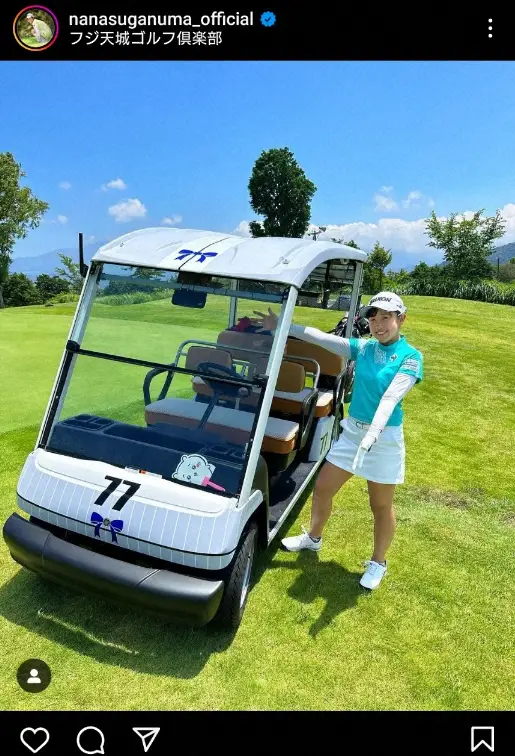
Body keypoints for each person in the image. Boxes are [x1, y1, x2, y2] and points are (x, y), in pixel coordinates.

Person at [254, 291, 423, 590]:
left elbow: (390, 398)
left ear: (401, 319)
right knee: (322, 488)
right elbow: (320, 337)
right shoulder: (365, 348)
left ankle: (378, 562)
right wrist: (282, 325)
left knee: (380, 505)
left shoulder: (411, 357)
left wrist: (373, 434)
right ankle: (313, 538)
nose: (379, 325)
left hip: (383, 439)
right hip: (354, 433)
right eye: (374, 318)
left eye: (386, 318)